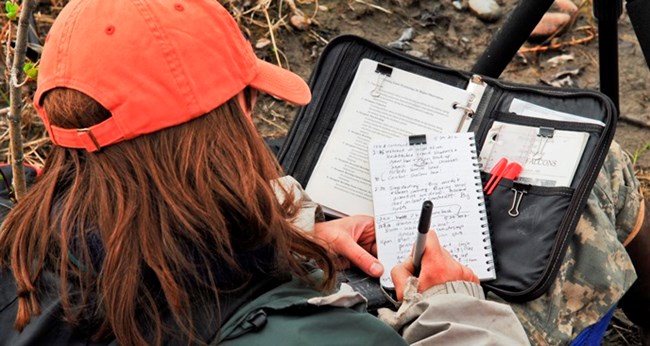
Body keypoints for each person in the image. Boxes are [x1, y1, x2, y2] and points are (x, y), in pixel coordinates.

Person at [0, 0, 530, 345]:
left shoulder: (19, 240)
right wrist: (458, 310)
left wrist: (293, 232)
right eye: (247, 99)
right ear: (238, 116)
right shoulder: (309, 337)